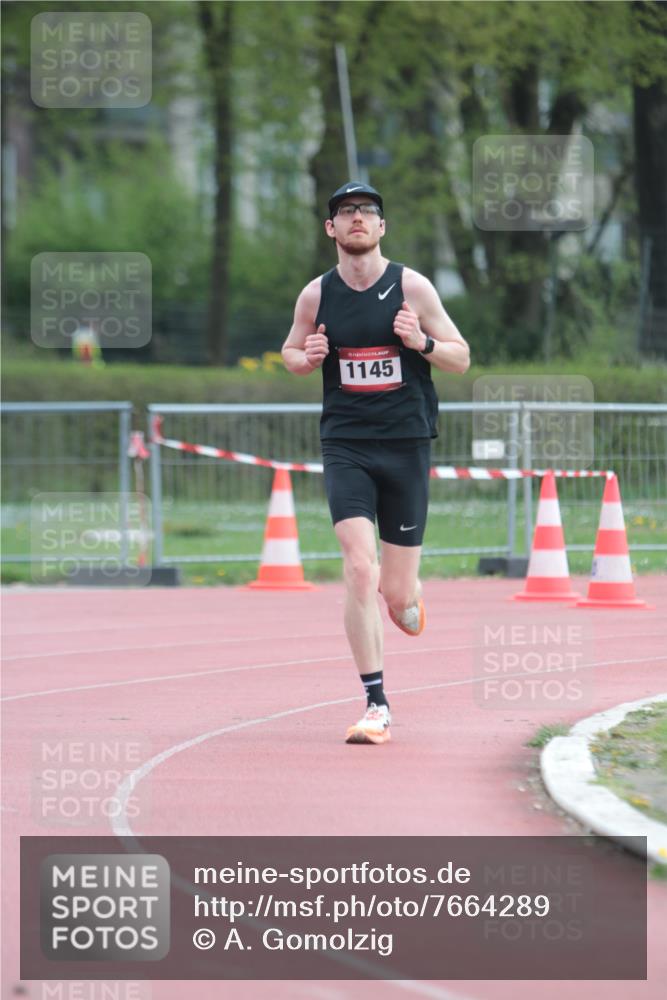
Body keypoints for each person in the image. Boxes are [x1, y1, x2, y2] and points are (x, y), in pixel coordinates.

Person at [281, 182, 470, 745]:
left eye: (367, 211)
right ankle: (376, 703)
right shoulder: (316, 296)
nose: (357, 218)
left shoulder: (412, 286)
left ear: (381, 227)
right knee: (359, 568)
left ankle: (407, 596)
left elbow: (461, 357)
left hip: (407, 444)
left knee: (396, 595)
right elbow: (292, 350)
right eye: (346, 212)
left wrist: (422, 343)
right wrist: (304, 358)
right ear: (331, 229)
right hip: (347, 445)